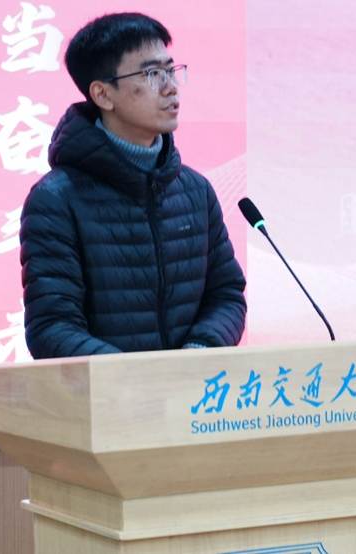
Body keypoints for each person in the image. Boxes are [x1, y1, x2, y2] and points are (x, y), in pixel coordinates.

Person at [19, 13, 246, 359]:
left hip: (191, 388)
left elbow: (227, 294)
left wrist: (199, 350)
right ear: (103, 95)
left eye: (171, 70)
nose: (170, 87)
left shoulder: (195, 191)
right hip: (110, 392)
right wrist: (135, 378)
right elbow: (52, 327)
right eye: (152, 74)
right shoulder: (56, 199)